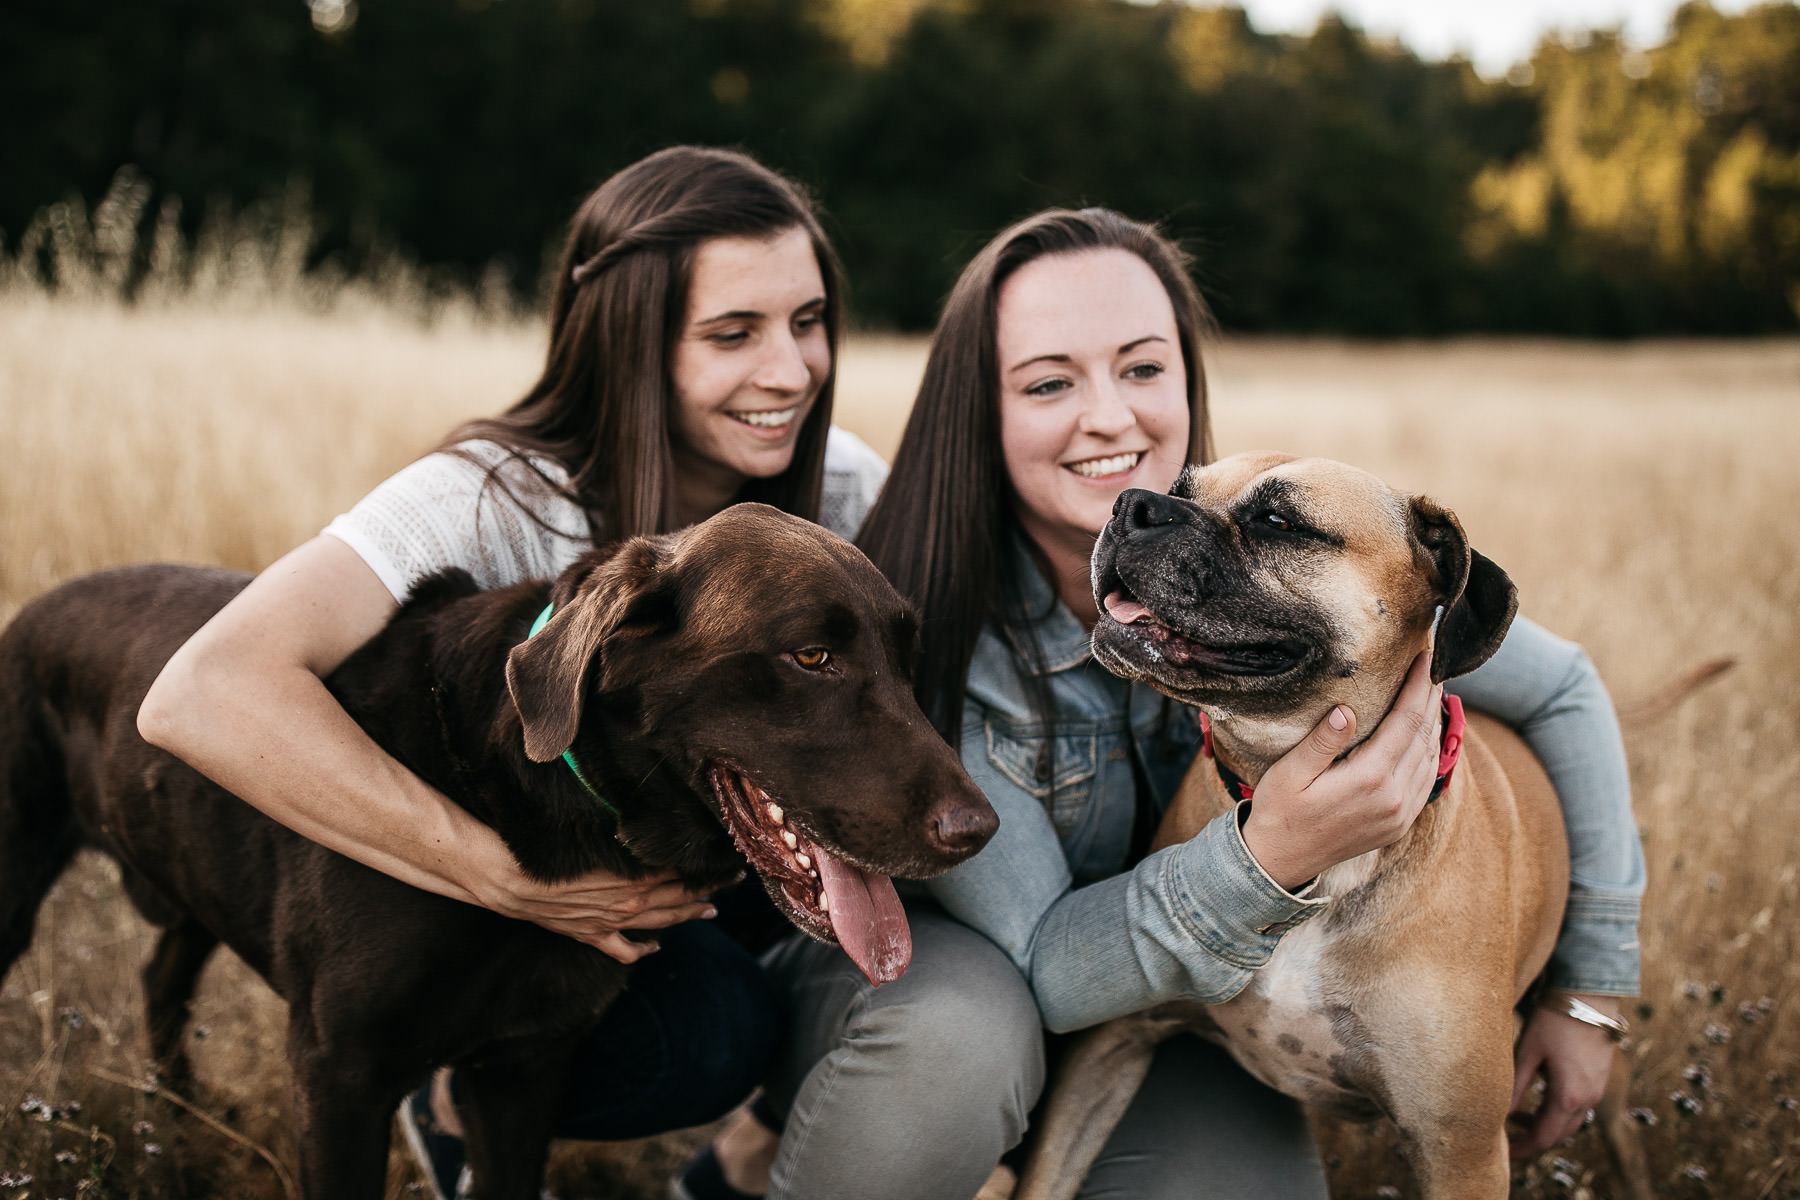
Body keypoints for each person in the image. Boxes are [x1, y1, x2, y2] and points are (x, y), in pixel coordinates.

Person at [688, 209, 1642, 1200]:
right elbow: (1048, 968)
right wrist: (1267, 856)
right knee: (960, 1038)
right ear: (983, 412)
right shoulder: (923, 640)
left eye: (1143, 370)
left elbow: (1566, 686)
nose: (1111, 418)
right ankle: (765, 1155)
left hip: (1184, 1005)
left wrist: (1593, 989)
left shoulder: (1352, 593)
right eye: (1050, 382)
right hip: (971, 994)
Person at [136, 145, 890, 1200]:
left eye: (808, 323)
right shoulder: (490, 496)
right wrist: (485, 872)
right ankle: (449, 1096)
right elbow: (200, 693)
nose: (791, 370)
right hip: (512, 880)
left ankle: (753, 1154)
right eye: (733, 333)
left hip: (700, 843)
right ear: (630, 340)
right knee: (713, 1035)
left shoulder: (841, 480)